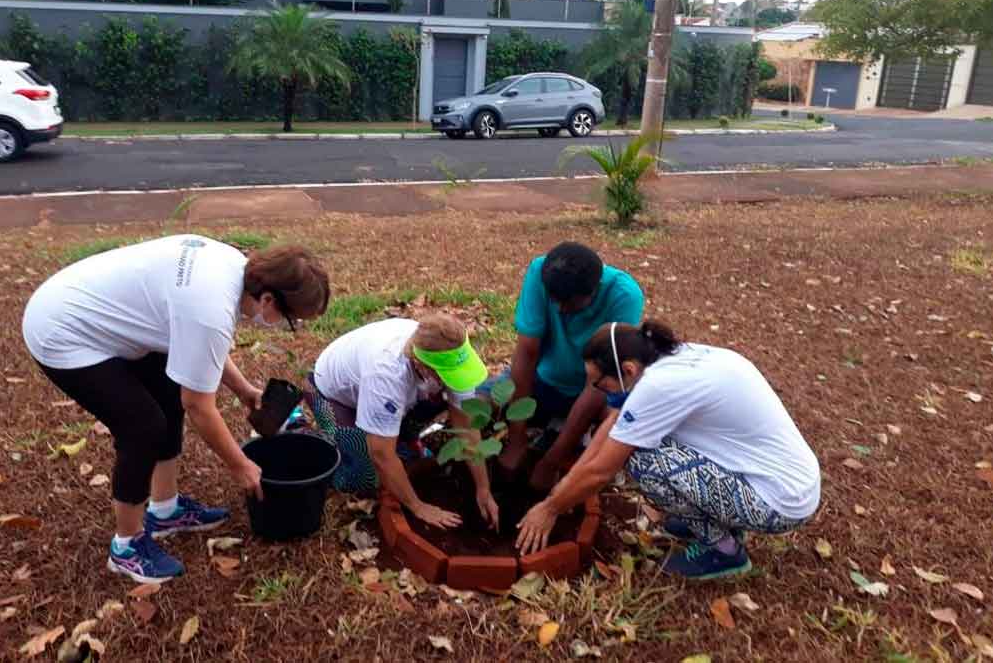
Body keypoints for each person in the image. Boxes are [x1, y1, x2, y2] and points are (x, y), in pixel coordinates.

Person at [22, 236, 330, 584]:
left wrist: (244, 390)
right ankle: (127, 547)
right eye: (293, 321)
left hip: (92, 307)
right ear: (270, 299)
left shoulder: (232, 268)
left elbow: (197, 344)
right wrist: (240, 465)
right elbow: (199, 406)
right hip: (63, 329)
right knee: (142, 427)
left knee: (169, 392)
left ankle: (165, 510)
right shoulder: (211, 307)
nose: (293, 329)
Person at [517, 321, 821, 579]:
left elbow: (602, 469)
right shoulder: (680, 358)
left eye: (600, 384)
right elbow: (614, 426)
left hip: (778, 503)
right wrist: (564, 487)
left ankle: (725, 552)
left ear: (628, 369)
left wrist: (550, 508)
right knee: (636, 443)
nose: (598, 392)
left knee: (641, 458)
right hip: (787, 480)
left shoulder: (657, 387)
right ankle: (716, 520)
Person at [303, 314, 498, 531]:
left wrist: (483, 488)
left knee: (428, 412)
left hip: (389, 395)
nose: (456, 379)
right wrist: (418, 507)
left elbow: (466, 428)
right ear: (420, 363)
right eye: (445, 374)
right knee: (363, 479)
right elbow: (381, 455)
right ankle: (311, 437)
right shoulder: (387, 374)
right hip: (333, 395)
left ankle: (397, 435)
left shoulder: (452, 359)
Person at [498, 242, 644, 489]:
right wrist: (516, 438)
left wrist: (551, 462)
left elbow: (601, 383)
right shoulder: (540, 272)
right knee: (478, 398)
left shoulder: (624, 296)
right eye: (555, 300)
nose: (559, 309)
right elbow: (527, 351)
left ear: (594, 291)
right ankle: (551, 429)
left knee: (618, 426)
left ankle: (574, 459)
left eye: (570, 303)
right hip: (542, 382)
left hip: (592, 392)